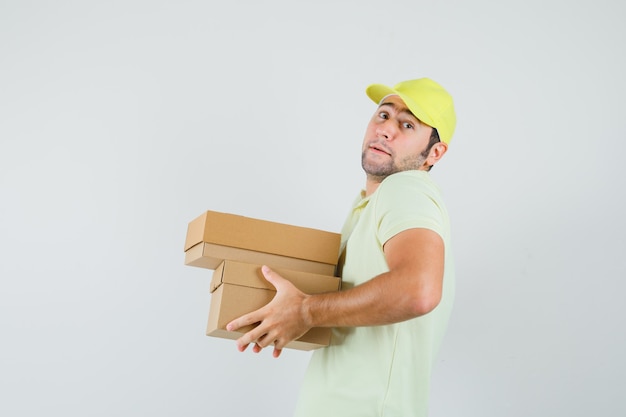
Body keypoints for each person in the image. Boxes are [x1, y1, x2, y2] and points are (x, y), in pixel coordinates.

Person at [226, 77, 457, 417]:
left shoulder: (406, 189)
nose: (386, 130)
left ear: (434, 153)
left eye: (407, 124)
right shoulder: (367, 205)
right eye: (383, 116)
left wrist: (306, 311)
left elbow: (418, 290)